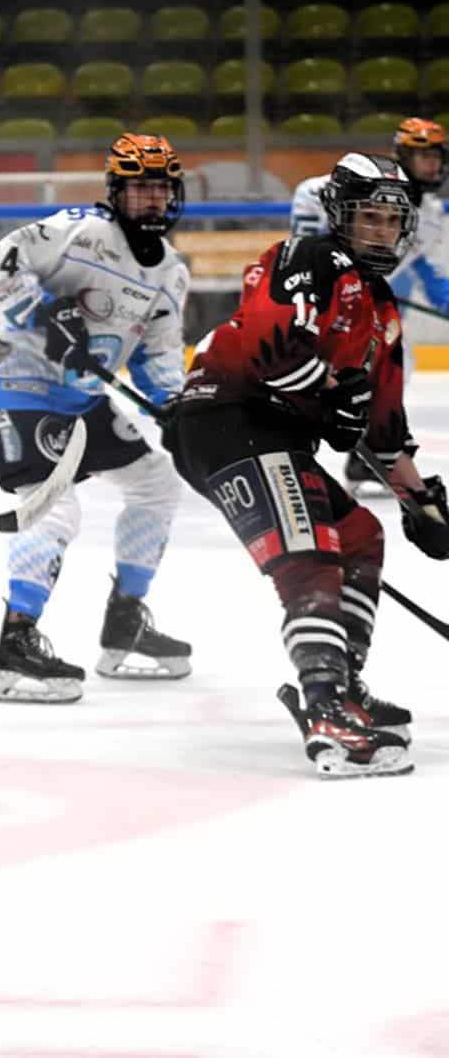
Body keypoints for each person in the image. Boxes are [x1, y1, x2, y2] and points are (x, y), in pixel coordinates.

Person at [169, 152, 449, 778]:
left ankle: (342, 683)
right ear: (339, 216)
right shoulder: (308, 259)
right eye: (368, 217)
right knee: (310, 553)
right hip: (229, 420)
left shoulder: (382, 310)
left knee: (360, 535)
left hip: (270, 435)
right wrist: (331, 394)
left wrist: (422, 502)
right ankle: (326, 708)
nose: (381, 232)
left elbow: (382, 425)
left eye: (391, 221)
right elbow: (271, 348)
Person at [0, 133, 194, 703]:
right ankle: (15, 643)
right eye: (140, 189)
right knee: (53, 507)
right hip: (17, 384)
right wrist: (45, 313)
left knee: (157, 484)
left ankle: (124, 623)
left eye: (161, 189)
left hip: (83, 398)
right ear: (116, 192)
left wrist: (176, 407)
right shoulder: (79, 231)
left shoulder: (171, 273)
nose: (152, 199)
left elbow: (158, 356)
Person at [289, 117, 449, 494]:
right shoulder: (348, 186)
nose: (432, 165)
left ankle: (368, 454)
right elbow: (307, 223)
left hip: (368, 305)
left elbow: (430, 271)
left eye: (437, 157)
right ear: (403, 155)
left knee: (394, 366)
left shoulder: (431, 215)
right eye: (423, 156)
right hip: (326, 300)